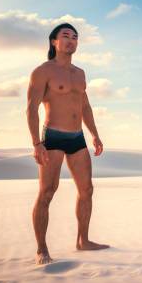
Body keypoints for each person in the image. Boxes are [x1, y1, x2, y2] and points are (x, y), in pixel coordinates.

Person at [26, 23, 109, 265]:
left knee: (87, 190)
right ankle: (41, 249)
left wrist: (94, 133)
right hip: (52, 137)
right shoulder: (43, 71)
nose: (71, 40)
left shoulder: (80, 73)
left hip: (77, 138)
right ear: (54, 41)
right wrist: (36, 143)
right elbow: (31, 109)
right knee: (47, 192)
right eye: (66, 36)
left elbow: (85, 106)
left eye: (75, 37)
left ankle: (83, 240)